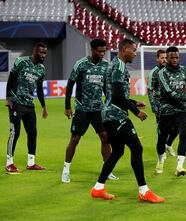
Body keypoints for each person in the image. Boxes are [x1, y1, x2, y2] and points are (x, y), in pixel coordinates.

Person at [90, 39, 164, 203]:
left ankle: (98, 188)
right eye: (133, 50)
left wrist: (132, 102)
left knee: (118, 152)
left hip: (109, 114)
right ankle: (144, 191)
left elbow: (114, 93)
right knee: (137, 148)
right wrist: (136, 111)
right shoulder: (119, 66)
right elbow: (116, 94)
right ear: (124, 49)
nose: (136, 53)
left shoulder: (115, 64)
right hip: (116, 116)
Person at [61, 39, 118, 183]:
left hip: (99, 110)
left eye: (103, 51)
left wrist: (109, 105)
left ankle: (107, 170)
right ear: (92, 50)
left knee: (105, 138)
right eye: (99, 51)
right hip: (82, 109)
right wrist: (67, 106)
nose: (102, 53)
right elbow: (70, 84)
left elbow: (106, 88)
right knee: (75, 139)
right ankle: (66, 170)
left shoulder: (106, 66)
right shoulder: (81, 64)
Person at [155, 46, 186, 176]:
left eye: (177, 57)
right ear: (167, 58)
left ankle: (180, 166)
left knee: (184, 134)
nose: (175, 60)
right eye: (172, 58)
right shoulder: (162, 73)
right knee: (161, 140)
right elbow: (170, 94)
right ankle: (160, 161)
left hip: (182, 110)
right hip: (166, 111)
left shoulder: (184, 70)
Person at [5, 42, 48, 174]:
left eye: (45, 53)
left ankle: (31, 163)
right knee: (15, 132)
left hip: (29, 104)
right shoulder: (21, 61)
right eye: (41, 52)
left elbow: (40, 89)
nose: (43, 55)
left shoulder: (41, 69)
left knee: (33, 133)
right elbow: (11, 79)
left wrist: (43, 106)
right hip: (16, 102)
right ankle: (9, 163)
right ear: (34, 51)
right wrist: (8, 98)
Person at [147, 49, 176, 157]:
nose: (164, 60)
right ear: (157, 59)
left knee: (177, 126)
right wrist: (153, 105)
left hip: (172, 104)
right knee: (162, 129)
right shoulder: (153, 72)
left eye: (165, 57)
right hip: (160, 105)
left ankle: (168, 144)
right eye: (162, 58)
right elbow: (150, 90)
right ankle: (162, 151)